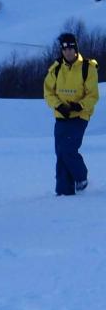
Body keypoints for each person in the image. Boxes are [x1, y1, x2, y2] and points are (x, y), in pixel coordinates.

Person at [44, 33, 99, 196]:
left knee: (68, 149)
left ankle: (81, 177)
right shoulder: (56, 69)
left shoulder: (87, 68)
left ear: (76, 48)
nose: (68, 52)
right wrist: (59, 106)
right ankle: (64, 191)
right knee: (60, 152)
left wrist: (79, 105)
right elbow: (48, 93)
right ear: (62, 50)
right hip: (61, 116)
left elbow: (93, 95)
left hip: (79, 116)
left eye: (71, 48)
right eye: (65, 48)